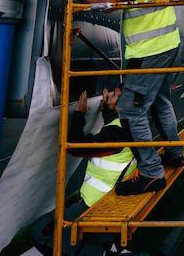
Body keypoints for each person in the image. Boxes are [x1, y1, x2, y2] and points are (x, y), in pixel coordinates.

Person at [71, 0, 184, 195]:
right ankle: (176, 154)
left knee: (131, 110)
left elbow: (108, 3)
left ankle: (151, 173)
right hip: (165, 47)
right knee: (160, 101)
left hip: (151, 51)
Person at [30, 86, 137, 255]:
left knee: (45, 236)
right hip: (108, 201)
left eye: (114, 95)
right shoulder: (132, 123)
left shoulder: (116, 133)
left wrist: (79, 115)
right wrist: (107, 110)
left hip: (96, 205)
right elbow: (112, 136)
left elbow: (76, 147)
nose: (108, 94)